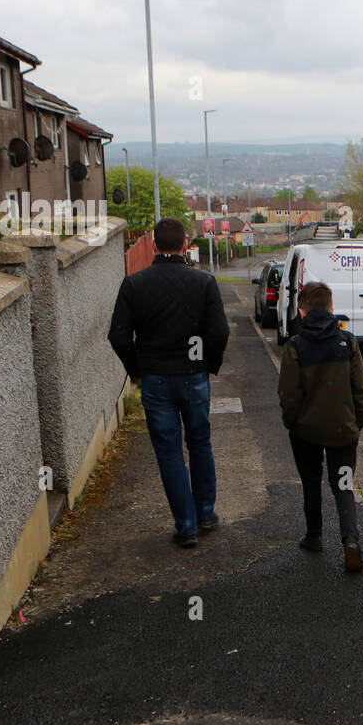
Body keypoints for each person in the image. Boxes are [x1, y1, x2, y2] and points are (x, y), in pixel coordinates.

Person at [107, 218, 230, 548]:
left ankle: (186, 526)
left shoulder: (134, 285)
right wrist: (209, 364)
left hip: (156, 380)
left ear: (153, 246)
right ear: (185, 244)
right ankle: (205, 512)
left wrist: (138, 369)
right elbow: (219, 332)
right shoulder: (204, 282)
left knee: (169, 451)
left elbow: (117, 335)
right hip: (194, 377)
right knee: (200, 442)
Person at [278, 282, 363, 572]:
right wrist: (357, 423)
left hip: (306, 432)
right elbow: (362, 391)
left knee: (311, 481)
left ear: (302, 312)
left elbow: (289, 394)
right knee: (343, 485)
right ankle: (350, 541)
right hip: (343, 431)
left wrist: (292, 423)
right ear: (331, 308)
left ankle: (314, 536)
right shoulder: (348, 342)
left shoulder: (294, 347)